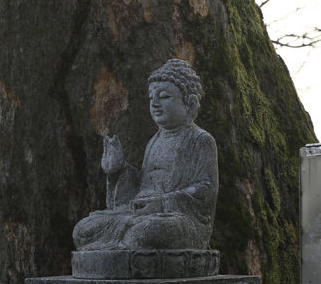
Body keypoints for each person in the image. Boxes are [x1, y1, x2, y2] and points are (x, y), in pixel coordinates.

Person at [73, 59, 218, 251]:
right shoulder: (154, 142)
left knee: (148, 231)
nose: (155, 104)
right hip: (141, 215)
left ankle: (124, 247)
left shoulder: (200, 140)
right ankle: (123, 246)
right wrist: (118, 171)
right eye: (151, 98)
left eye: (164, 96)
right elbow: (143, 185)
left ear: (190, 104)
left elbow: (206, 191)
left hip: (178, 219)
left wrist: (162, 203)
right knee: (83, 230)